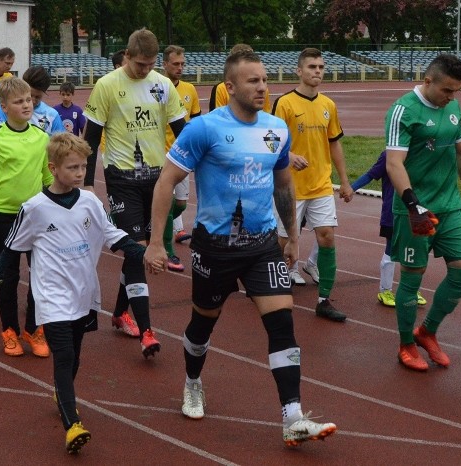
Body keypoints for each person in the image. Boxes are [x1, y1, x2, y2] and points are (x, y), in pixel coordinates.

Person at [144, 49, 338, 446]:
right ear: (230, 87)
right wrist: (155, 243)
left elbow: (284, 185)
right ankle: (193, 381)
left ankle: (293, 416)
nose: (263, 87)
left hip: (262, 245)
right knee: (203, 324)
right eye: (253, 81)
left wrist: (292, 237)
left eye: (265, 80)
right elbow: (165, 183)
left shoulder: (275, 128)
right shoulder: (203, 129)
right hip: (214, 248)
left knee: (282, 323)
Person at [0, 132, 146, 454]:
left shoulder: (89, 201)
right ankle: (72, 424)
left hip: (84, 293)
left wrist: (142, 253)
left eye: (83, 167)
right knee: (64, 355)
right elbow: (11, 246)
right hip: (52, 295)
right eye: (72, 167)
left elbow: (110, 233)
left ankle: (63, 394)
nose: (79, 173)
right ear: (53, 168)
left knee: (76, 353)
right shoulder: (35, 208)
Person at [82, 28, 186, 357]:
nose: (144, 70)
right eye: (140, 64)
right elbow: (92, 137)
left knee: (135, 254)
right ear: (126, 55)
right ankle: (147, 331)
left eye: (150, 64)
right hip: (122, 178)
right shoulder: (107, 85)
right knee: (139, 250)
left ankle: (119, 312)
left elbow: (183, 132)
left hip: (158, 180)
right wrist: (87, 183)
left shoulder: (163, 84)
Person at [385, 54, 461, 372]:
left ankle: (427, 331)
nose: (452, 97)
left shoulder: (452, 108)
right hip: (414, 210)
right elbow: (393, 163)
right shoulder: (404, 110)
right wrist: (414, 206)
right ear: (428, 81)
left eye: (456, 91)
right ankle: (405, 343)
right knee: (412, 280)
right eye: (447, 90)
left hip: (450, 205)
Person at [0, 77, 53, 357]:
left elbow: (47, 177)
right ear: (4, 106)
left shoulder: (42, 138)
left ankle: (34, 328)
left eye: (28, 100)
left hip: (35, 217)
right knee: (6, 276)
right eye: (18, 102)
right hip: (2, 216)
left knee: (40, 277)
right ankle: (10, 331)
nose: (26, 105)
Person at [271, 47, 353, 322]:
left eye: (320, 67)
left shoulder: (328, 105)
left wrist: (344, 181)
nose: (317, 71)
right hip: (290, 187)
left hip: (320, 185)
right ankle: (270, 282)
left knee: (327, 236)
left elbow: (334, 144)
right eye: (311, 67)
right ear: (299, 70)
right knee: (282, 241)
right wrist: (290, 156)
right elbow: (271, 142)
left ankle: (324, 299)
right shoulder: (284, 103)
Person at [350, 151, 428, 308]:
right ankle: (385, 291)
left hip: (415, 213)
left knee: (416, 249)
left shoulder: (420, 154)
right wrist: (352, 188)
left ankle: (412, 289)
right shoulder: (389, 155)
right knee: (391, 249)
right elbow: (370, 175)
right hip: (392, 212)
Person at [161, 45, 202, 271]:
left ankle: (156, 224)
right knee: (166, 204)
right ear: (165, 63)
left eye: (182, 64)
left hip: (182, 154)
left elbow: (195, 122)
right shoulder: (156, 86)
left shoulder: (190, 90)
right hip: (159, 155)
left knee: (181, 204)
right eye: (175, 64)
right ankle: (168, 250)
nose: (179, 68)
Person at [0, 65, 64, 135]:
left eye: (38, 97)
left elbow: (61, 144)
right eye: (30, 96)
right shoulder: (7, 108)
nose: (33, 101)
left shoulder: (52, 115)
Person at [208, 44, 271, 113]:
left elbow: (266, 114)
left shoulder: (263, 88)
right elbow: (217, 116)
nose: (261, 88)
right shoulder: (221, 88)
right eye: (253, 81)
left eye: (264, 80)